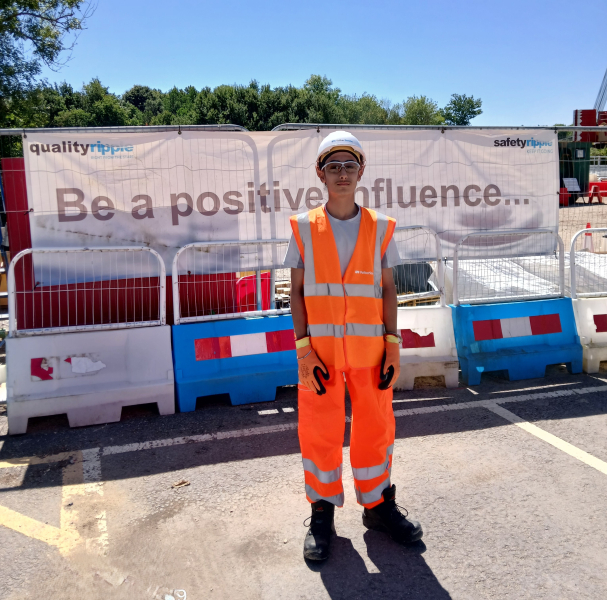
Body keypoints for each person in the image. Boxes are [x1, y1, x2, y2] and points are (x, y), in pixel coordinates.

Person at [283, 131, 423, 561]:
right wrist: (304, 351)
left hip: (370, 354)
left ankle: (378, 505)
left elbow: (387, 290)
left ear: (361, 172)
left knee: (376, 429)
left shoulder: (380, 227)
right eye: (333, 166)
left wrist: (393, 345)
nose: (341, 174)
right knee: (319, 432)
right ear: (320, 174)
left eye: (349, 166)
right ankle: (322, 513)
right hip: (320, 356)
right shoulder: (304, 227)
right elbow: (298, 292)